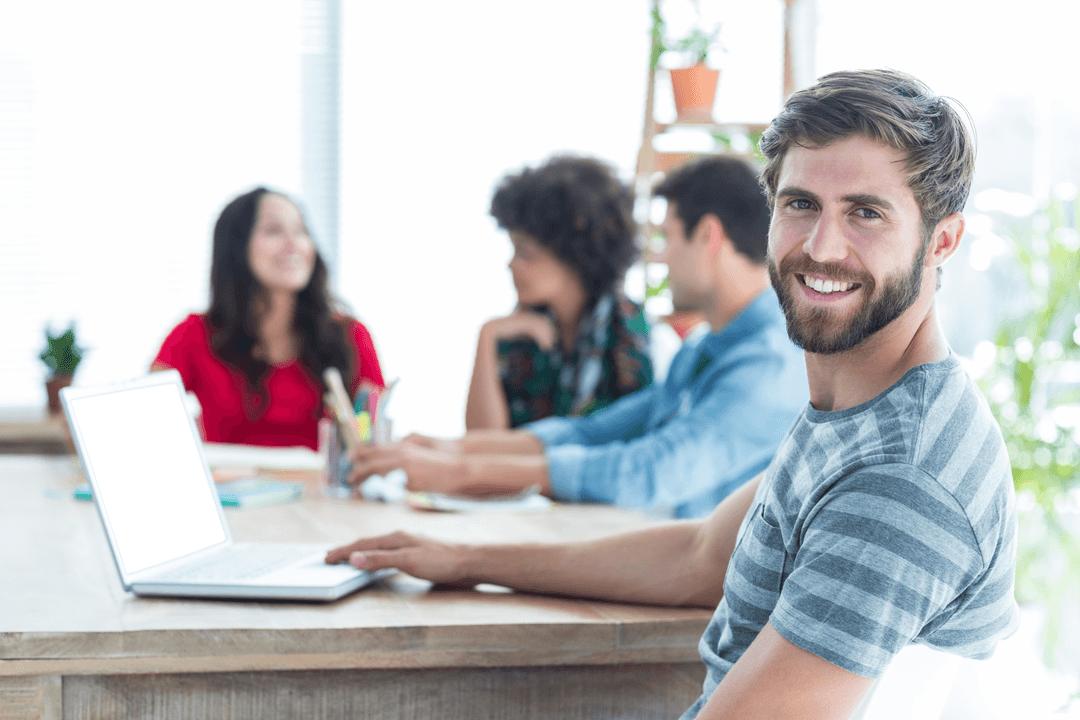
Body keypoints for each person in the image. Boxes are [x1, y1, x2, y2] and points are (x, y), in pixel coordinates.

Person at [328, 69, 1020, 719]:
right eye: (800, 204)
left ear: (942, 242)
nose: (821, 246)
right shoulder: (860, 411)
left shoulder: (900, 477)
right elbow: (699, 556)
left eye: (866, 213)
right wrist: (465, 561)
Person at [348, 156, 808, 519]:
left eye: (667, 238)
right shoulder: (706, 348)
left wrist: (461, 471)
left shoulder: (767, 364)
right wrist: (447, 449)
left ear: (708, 236)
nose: (660, 258)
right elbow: (593, 432)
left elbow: (649, 470)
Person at [152, 187, 384, 451]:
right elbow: (144, 421)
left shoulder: (350, 335)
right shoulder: (194, 334)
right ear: (236, 246)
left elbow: (372, 437)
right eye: (274, 231)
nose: (293, 244)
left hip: (324, 479)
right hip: (228, 478)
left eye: (301, 231)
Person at [467, 155, 652, 431]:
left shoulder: (626, 325)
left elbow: (636, 433)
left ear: (574, 257)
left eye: (525, 253)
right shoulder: (519, 330)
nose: (511, 264)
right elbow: (481, 440)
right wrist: (487, 335)